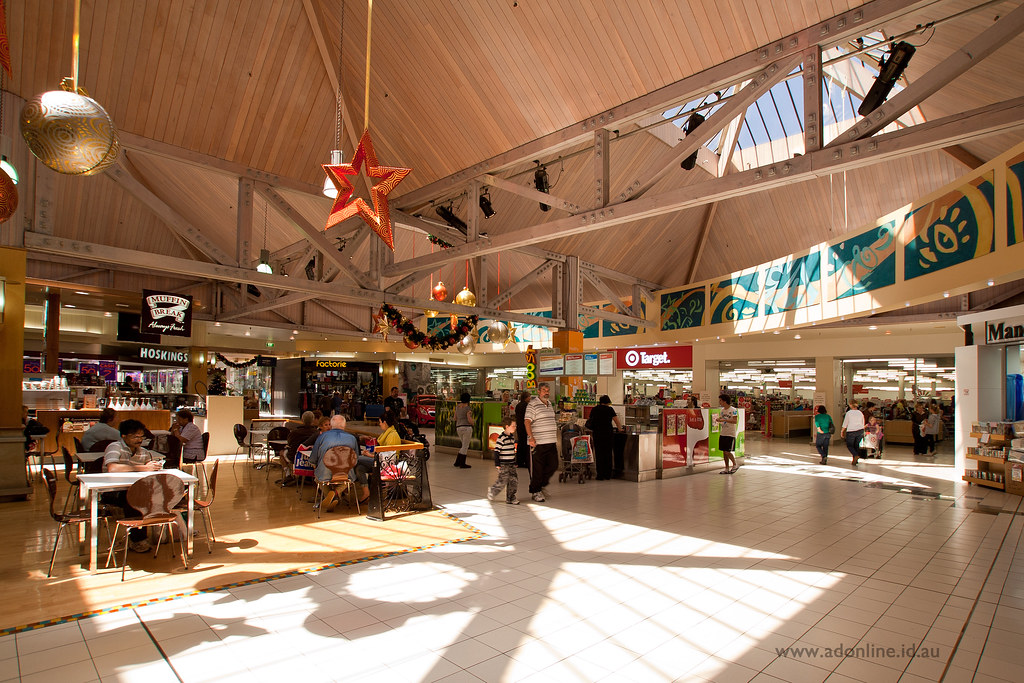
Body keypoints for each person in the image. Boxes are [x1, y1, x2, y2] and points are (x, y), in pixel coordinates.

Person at [102, 419, 164, 552]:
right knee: (137, 498)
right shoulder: (115, 447)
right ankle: (138, 540)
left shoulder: (143, 452)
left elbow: (148, 467)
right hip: (113, 491)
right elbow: (112, 468)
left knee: (154, 495)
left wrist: (154, 467)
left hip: (135, 489)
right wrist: (142, 468)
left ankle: (165, 532)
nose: (139, 440)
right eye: (135, 436)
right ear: (123, 435)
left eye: (141, 436)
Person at [308, 415, 364, 511]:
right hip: (345, 474)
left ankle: (331, 496)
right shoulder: (352, 438)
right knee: (349, 480)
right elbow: (356, 459)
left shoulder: (322, 437)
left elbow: (313, 458)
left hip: (325, 472)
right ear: (344, 425)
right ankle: (335, 494)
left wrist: (315, 464)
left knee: (318, 478)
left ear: (332, 425)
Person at [525, 383, 559, 502]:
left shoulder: (549, 404)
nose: (546, 392)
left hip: (551, 441)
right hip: (538, 443)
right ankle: (535, 491)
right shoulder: (532, 404)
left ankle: (540, 485)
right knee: (537, 468)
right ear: (538, 391)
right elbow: (527, 422)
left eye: (548, 390)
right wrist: (531, 438)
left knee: (553, 465)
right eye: (544, 390)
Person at [277, 411, 318, 486]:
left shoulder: (294, 433)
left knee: (281, 453)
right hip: (313, 460)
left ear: (302, 420)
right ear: (313, 420)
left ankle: (288, 474)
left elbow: (289, 444)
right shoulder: (317, 433)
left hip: (295, 458)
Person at [587, 395, 621, 480]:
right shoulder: (609, 409)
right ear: (608, 401)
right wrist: (620, 429)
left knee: (599, 454)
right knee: (608, 454)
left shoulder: (594, 409)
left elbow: (590, 419)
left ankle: (600, 475)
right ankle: (608, 474)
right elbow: (616, 421)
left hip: (597, 434)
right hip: (608, 434)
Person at [487, 417, 519, 505]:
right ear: (507, 426)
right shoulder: (501, 438)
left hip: (511, 463)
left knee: (513, 480)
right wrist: (497, 463)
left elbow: (513, 450)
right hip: (503, 463)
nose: (515, 428)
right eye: (513, 426)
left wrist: (515, 461)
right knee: (503, 480)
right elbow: (497, 451)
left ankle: (511, 497)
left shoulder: (512, 437)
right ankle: (493, 491)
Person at [715, 394, 739, 474]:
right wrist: (719, 419)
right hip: (723, 433)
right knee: (723, 451)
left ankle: (735, 464)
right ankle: (726, 468)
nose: (720, 402)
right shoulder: (722, 411)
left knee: (727, 451)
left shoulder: (733, 410)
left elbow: (735, 421)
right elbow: (722, 419)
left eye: (721, 400)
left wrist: (724, 420)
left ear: (725, 401)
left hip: (730, 433)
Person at [841, 399, 866, 467]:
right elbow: (863, 422)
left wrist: (842, 431)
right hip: (860, 430)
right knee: (856, 445)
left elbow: (845, 423)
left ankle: (855, 455)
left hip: (851, 431)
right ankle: (855, 460)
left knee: (849, 445)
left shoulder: (849, 413)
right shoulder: (860, 413)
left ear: (850, 405)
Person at [454, 393, 474, 469]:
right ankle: (462, 463)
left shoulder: (457, 407)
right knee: (465, 446)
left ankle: (457, 462)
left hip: (458, 427)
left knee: (463, 445)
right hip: (467, 428)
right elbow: (469, 419)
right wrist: (473, 423)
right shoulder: (468, 408)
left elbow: (455, 418)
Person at [514, 390, 532, 468]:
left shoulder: (518, 405)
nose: (530, 398)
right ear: (526, 397)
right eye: (529, 396)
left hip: (519, 426)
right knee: (525, 445)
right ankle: (525, 461)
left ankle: (519, 461)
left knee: (520, 444)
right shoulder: (527, 406)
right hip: (525, 427)